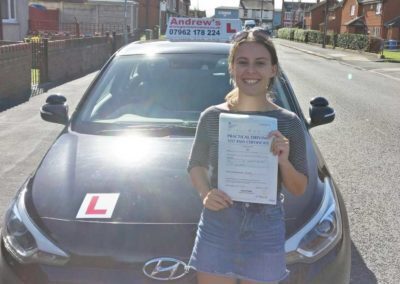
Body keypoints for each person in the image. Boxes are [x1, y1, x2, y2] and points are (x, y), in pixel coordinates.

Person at [186, 27, 309, 284]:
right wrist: (205, 193)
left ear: (273, 70)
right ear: (232, 67)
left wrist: (283, 161)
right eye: (242, 62)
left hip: (265, 228)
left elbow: (298, 188)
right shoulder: (212, 117)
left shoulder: (288, 123)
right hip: (218, 224)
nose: (250, 70)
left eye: (260, 63)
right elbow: (196, 164)